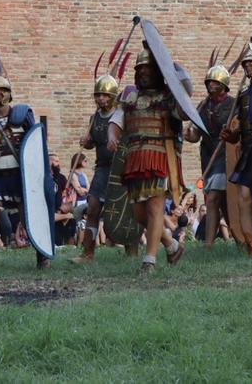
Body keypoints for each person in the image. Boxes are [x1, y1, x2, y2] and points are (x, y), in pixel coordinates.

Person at [107, 46, 186, 272]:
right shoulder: (130, 96)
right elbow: (116, 120)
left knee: (154, 208)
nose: (143, 73)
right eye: (140, 69)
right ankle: (171, 246)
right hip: (134, 158)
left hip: (159, 155)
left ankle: (149, 261)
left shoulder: (166, 97)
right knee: (140, 213)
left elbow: (182, 113)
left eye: (148, 69)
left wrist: (181, 83)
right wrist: (112, 136)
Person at [0, 46, 49, 272]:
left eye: (3, 91)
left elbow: (37, 145)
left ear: (9, 93)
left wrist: (39, 175)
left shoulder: (23, 115)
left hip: (21, 176)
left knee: (29, 218)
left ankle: (42, 257)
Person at [184, 65, 235, 246]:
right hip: (208, 156)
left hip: (225, 155)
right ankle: (239, 240)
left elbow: (237, 133)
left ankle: (208, 244)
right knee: (222, 204)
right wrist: (189, 135)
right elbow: (196, 135)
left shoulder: (232, 105)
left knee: (213, 197)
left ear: (223, 84)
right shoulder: (203, 106)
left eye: (215, 82)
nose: (211, 85)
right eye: (209, 82)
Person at [74, 72, 121, 263]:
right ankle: (88, 253)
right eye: (98, 95)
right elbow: (93, 143)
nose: (100, 98)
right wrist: (87, 142)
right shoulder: (94, 118)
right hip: (101, 168)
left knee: (123, 210)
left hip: (120, 169)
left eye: (105, 95)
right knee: (93, 208)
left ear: (112, 96)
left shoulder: (120, 115)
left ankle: (131, 247)